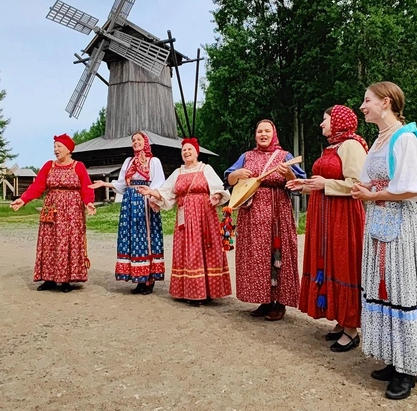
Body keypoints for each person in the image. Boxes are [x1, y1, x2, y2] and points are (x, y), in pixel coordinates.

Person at [351, 81, 417, 400]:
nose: (363, 106)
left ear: (386, 102)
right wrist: (328, 185)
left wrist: (374, 194)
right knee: (386, 286)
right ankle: (395, 359)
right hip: (379, 220)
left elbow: (416, 187)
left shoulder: (404, 138)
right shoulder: (379, 140)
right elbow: (365, 181)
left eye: (367, 100)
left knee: (402, 286)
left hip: (400, 223)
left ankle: (409, 369)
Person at [287, 106, 368, 351]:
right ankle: (340, 319)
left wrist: (325, 184)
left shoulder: (352, 145)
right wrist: (305, 184)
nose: (322, 124)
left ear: (338, 120)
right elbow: (323, 182)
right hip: (323, 214)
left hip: (343, 215)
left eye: (325, 120)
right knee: (328, 261)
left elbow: (357, 184)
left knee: (343, 263)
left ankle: (352, 328)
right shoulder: (332, 147)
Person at [224, 120, 306, 321]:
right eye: (259, 131)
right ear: (255, 135)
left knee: (279, 254)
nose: (263, 134)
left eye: (267, 131)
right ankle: (265, 299)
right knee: (257, 257)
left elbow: (299, 183)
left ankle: (280, 302)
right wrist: (236, 173)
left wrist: (287, 173)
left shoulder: (284, 156)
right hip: (252, 216)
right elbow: (229, 179)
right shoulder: (246, 156)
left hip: (277, 215)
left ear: (273, 134)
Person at [137, 138, 232, 306]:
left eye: (189, 149)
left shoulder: (206, 169)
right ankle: (192, 291)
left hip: (204, 216)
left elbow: (219, 188)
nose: (186, 152)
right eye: (184, 150)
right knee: (187, 250)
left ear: (196, 152)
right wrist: (152, 191)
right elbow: (167, 193)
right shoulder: (178, 172)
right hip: (184, 217)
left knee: (204, 249)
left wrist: (216, 195)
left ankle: (207, 291)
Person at [11, 134, 96, 293]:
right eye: (55, 147)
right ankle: (49, 278)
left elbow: (86, 187)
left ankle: (66, 280)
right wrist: (23, 200)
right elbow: (37, 186)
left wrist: (89, 202)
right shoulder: (49, 166)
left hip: (72, 211)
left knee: (67, 242)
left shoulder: (78, 166)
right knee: (49, 242)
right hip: (52, 208)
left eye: (59, 147)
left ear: (69, 149)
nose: (56, 150)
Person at [89, 132, 165, 295]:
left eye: (138, 139)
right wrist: (105, 183)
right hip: (130, 201)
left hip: (145, 200)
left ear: (145, 142)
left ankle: (149, 279)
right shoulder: (128, 162)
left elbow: (159, 182)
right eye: (133, 140)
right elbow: (122, 185)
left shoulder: (154, 161)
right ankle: (138, 278)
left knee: (146, 237)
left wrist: (153, 196)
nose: (135, 142)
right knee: (132, 238)